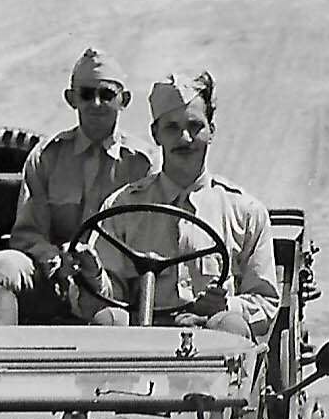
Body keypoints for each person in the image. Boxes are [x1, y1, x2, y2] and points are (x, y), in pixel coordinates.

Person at [67, 72, 279, 338]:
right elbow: (107, 299)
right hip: (139, 343)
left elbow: (266, 302)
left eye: (195, 126)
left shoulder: (244, 212)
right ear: (155, 134)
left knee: (231, 327)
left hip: (209, 347)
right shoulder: (123, 206)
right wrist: (93, 274)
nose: (185, 139)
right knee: (106, 322)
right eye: (172, 128)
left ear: (211, 131)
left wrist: (226, 305)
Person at [0, 45, 154, 325]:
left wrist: (97, 270)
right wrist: (55, 260)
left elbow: (151, 240)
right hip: (53, 277)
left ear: (124, 100)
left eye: (107, 95)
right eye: (86, 94)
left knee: (115, 317)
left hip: (113, 285)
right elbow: (27, 235)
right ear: (71, 99)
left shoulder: (144, 164)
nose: (96, 103)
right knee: (4, 265)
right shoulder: (47, 156)